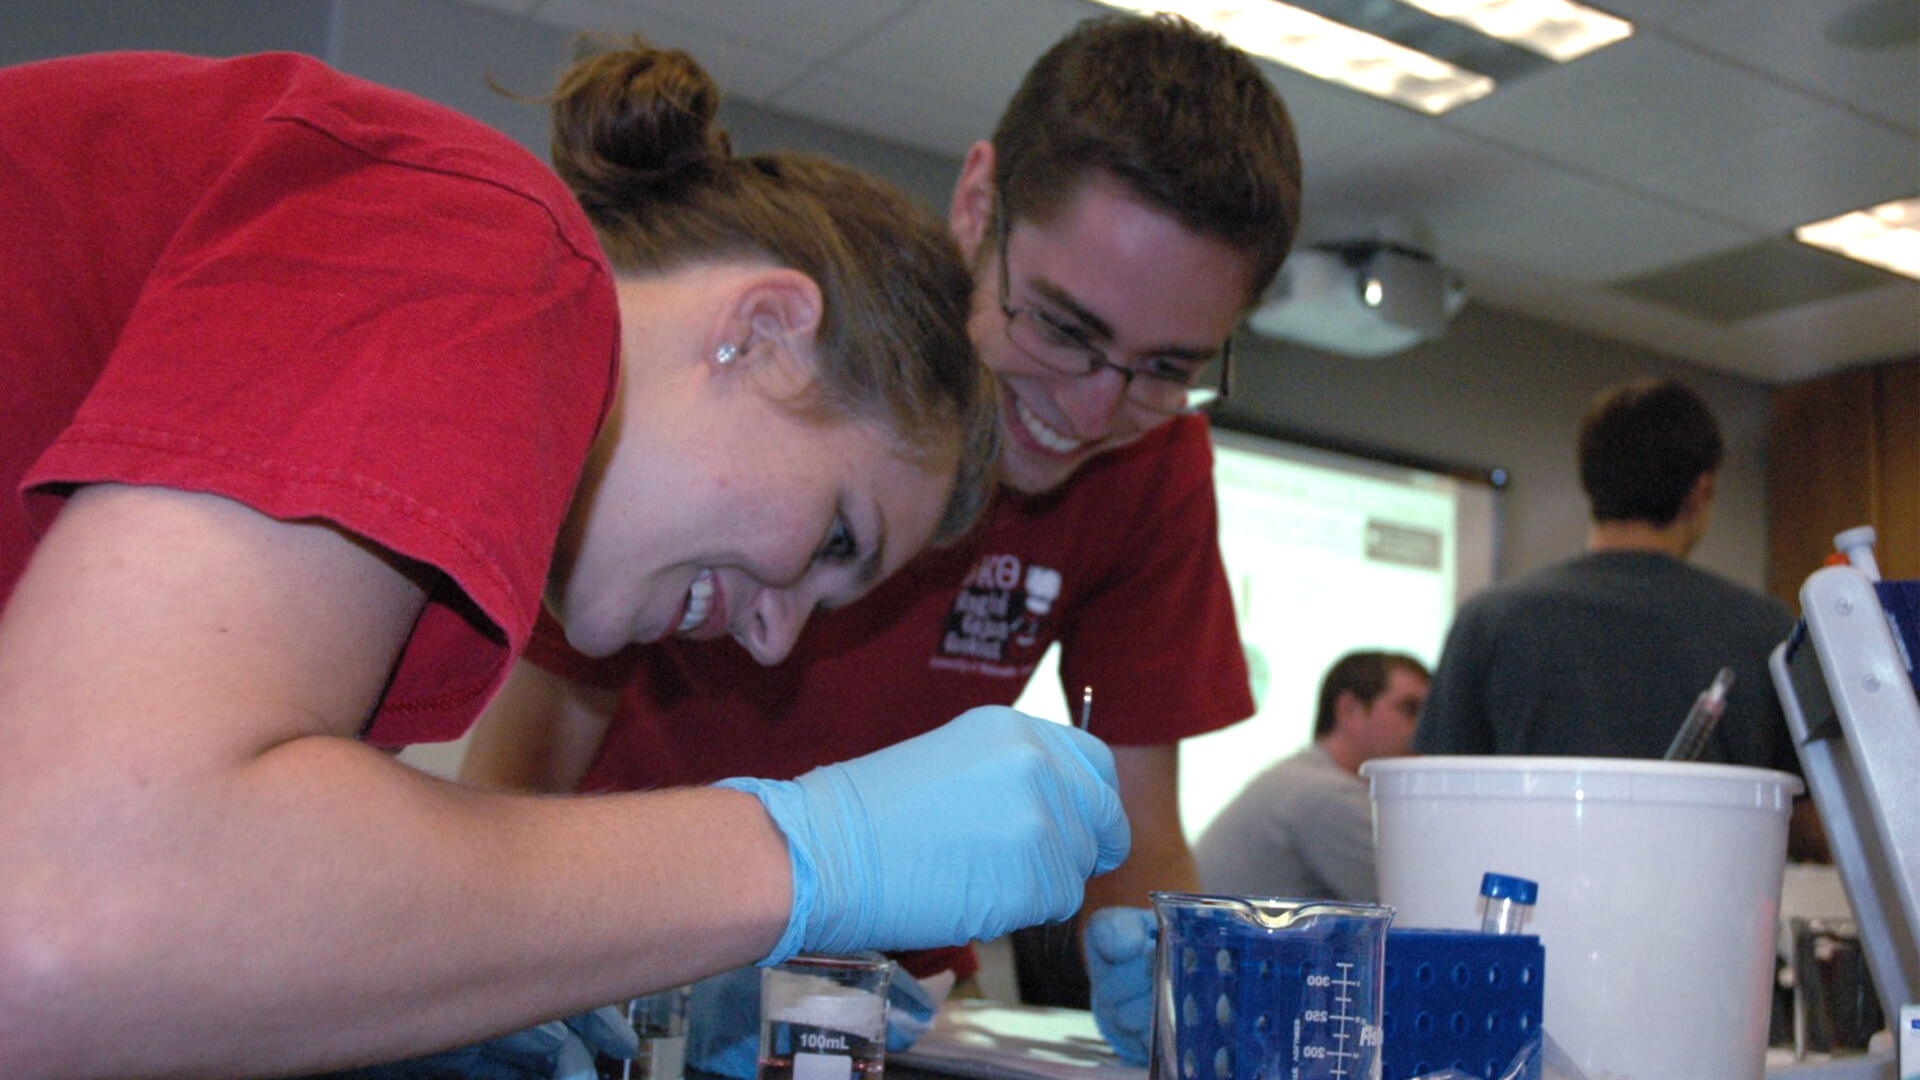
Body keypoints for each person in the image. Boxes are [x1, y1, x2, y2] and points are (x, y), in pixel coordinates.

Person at [0, 38, 1133, 1079]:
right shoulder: (487, 243)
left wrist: (492, 971)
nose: (773, 636)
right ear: (764, 332)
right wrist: (805, 857)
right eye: (836, 537)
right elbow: (59, 925)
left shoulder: (420, 579)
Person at [459, 12, 1304, 1067]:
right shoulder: (786, 382)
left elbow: (1135, 827)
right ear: (979, 201)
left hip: (881, 1005)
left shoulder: (1151, 463)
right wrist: (556, 969)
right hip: (622, 956)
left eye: (1165, 368)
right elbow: (511, 780)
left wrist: (1179, 981)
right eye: (1062, 327)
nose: (1093, 410)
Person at [1414, 377, 1821, 855]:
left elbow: (1435, 810)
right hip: (1709, 915)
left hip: (1524, 913)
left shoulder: (1487, 621)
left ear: (1589, 481)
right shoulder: (1771, 632)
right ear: (1700, 490)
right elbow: (1816, 825)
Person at [1194, 651, 1429, 902]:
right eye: (1409, 708)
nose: (1425, 727)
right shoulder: (1327, 796)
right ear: (1349, 709)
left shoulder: (1300, 778)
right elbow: (1414, 907)